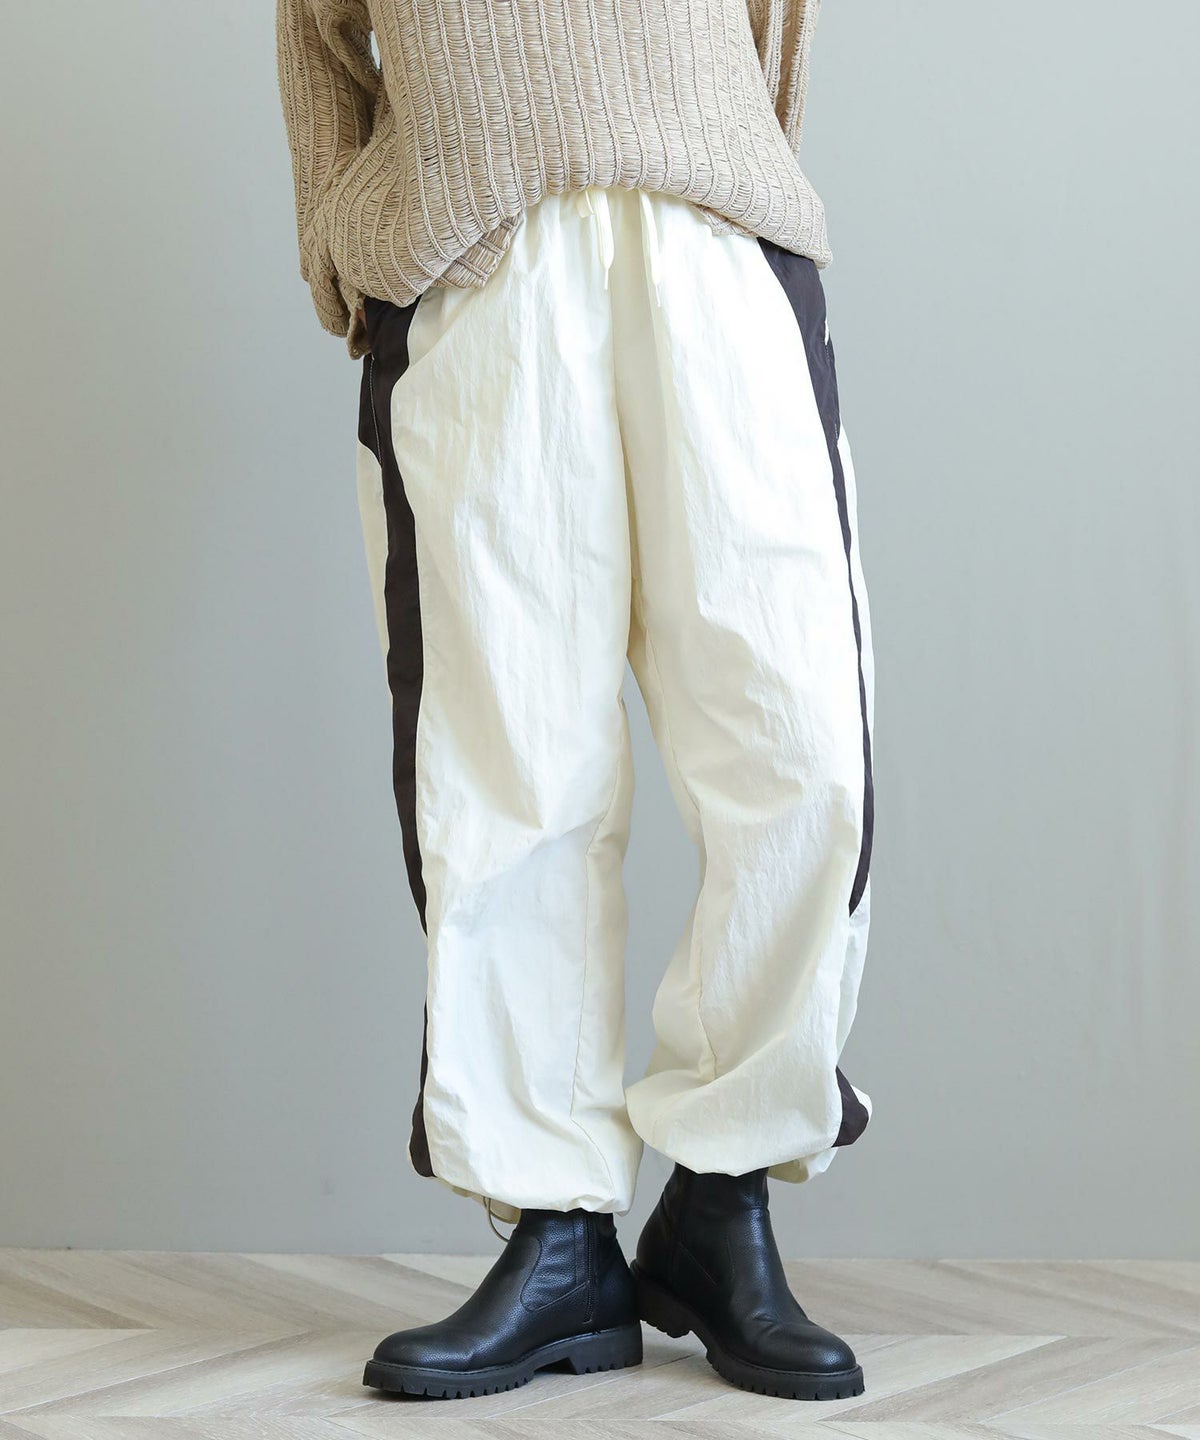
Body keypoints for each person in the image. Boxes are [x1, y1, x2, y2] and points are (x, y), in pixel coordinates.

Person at [276, 0, 875, 1404]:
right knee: (504, 767)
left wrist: (734, 179)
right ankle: (555, 1238)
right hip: (474, 252)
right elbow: (314, 28)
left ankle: (723, 1202)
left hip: (711, 236)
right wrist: (352, 234)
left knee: (802, 746)